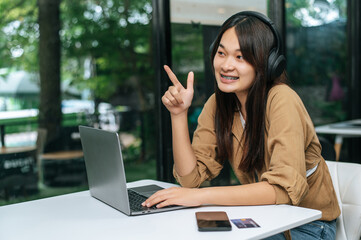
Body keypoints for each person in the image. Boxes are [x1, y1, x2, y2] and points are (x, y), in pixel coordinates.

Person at [142, 11, 340, 240]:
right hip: (262, 217)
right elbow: (189, 179)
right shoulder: (219, 104)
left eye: (241, 57)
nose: (227, 65)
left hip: (306, 225)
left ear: (267, 63)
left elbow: (283, 189)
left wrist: (199, 197)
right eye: (221, 53)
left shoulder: (282, 99)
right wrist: (178, 115)